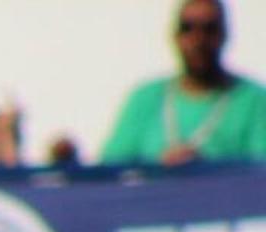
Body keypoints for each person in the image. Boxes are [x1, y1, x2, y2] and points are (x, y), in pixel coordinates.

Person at [106, 2, 266, 163]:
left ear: (224, 35)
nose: (198, 40)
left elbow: (259, 174)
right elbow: (111, 170)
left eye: (209, 29)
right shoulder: (145, 98)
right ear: (175, 36)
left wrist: (205, 170)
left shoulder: (255, 100)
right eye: (188, 28)